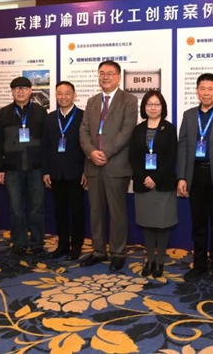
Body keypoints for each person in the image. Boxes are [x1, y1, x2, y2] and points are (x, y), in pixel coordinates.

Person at [176, 73, 213, 285]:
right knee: (198, 223)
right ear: (197, 91)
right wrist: (182, 176)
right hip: (195, 174)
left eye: (210, 89)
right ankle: (199, 264)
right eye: (202, 88)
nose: (206, 93)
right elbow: (183, 146)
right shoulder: (189, 115)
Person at [79, 60, 138, 271]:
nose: (105, 77)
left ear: (119, 77)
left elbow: (127, 131)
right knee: (95, 211)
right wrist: (91, 152)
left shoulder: (129, 100)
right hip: (93, 165)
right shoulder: (92, 101)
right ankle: (98, 251)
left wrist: (106, 152)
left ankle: (118, 252)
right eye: (102, 73)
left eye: (110, 73)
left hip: (116, 165)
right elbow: (84, 131)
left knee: (117, 212)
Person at [0, 76, 48, 257]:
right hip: (12, 169)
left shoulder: (41, 112)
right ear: (12, 92)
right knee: (16, 209)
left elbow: (46, 142)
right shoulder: (3, 113)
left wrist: (46, 169)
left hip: (36, 168)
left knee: (36, 209)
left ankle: (37, 242)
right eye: (16, 89)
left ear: (31, 91)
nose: (20, 91)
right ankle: (19, 243)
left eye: (24, 88)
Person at [129, 90, 178, 278]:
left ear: (162, 107)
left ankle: (160, 261)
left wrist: (155, 178)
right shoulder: (138, 129)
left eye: (157, 104)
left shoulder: (169, 128)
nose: (153, 108)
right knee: (147, 223)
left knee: (162, 224)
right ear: (144, 107)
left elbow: (171, 157)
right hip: (143, 183)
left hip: (163, 183)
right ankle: (149, 259)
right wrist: (145, 177)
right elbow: (133, 157)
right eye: (149, 104)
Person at [42, 81, 86, 261]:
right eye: (60, 93)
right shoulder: (50, 118)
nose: (63, 97)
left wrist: (86, 170)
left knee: (77, 212)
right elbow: (45, 146)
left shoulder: (83, 117)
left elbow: (88, 146)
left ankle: (76, 247)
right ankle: (62, 245)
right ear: (55, 95)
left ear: (74, 95)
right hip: (55, 173)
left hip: (76, 173)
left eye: (67, 93)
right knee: (59, 212)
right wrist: (46, 171)